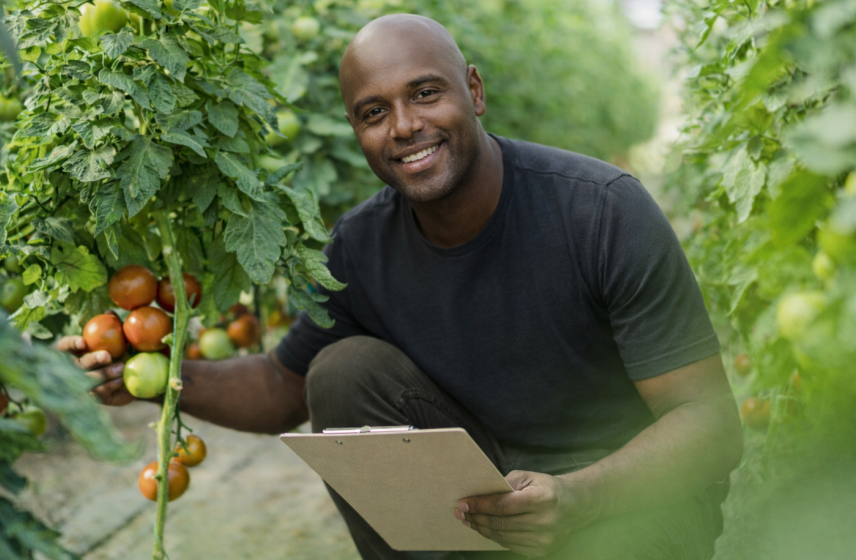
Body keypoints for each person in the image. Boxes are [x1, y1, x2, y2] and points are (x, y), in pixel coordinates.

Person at [60, 14, 743, 560]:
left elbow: (711, 426)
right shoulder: (361, 246)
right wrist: (145, 376)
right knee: (343, 368)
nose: (405, 126)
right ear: (357, 130)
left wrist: (578, 499)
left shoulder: (601, 211)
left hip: (624, 499)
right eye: (373, 111)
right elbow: (282, 387)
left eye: (425, 93)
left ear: (473, 91)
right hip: (489, 503)